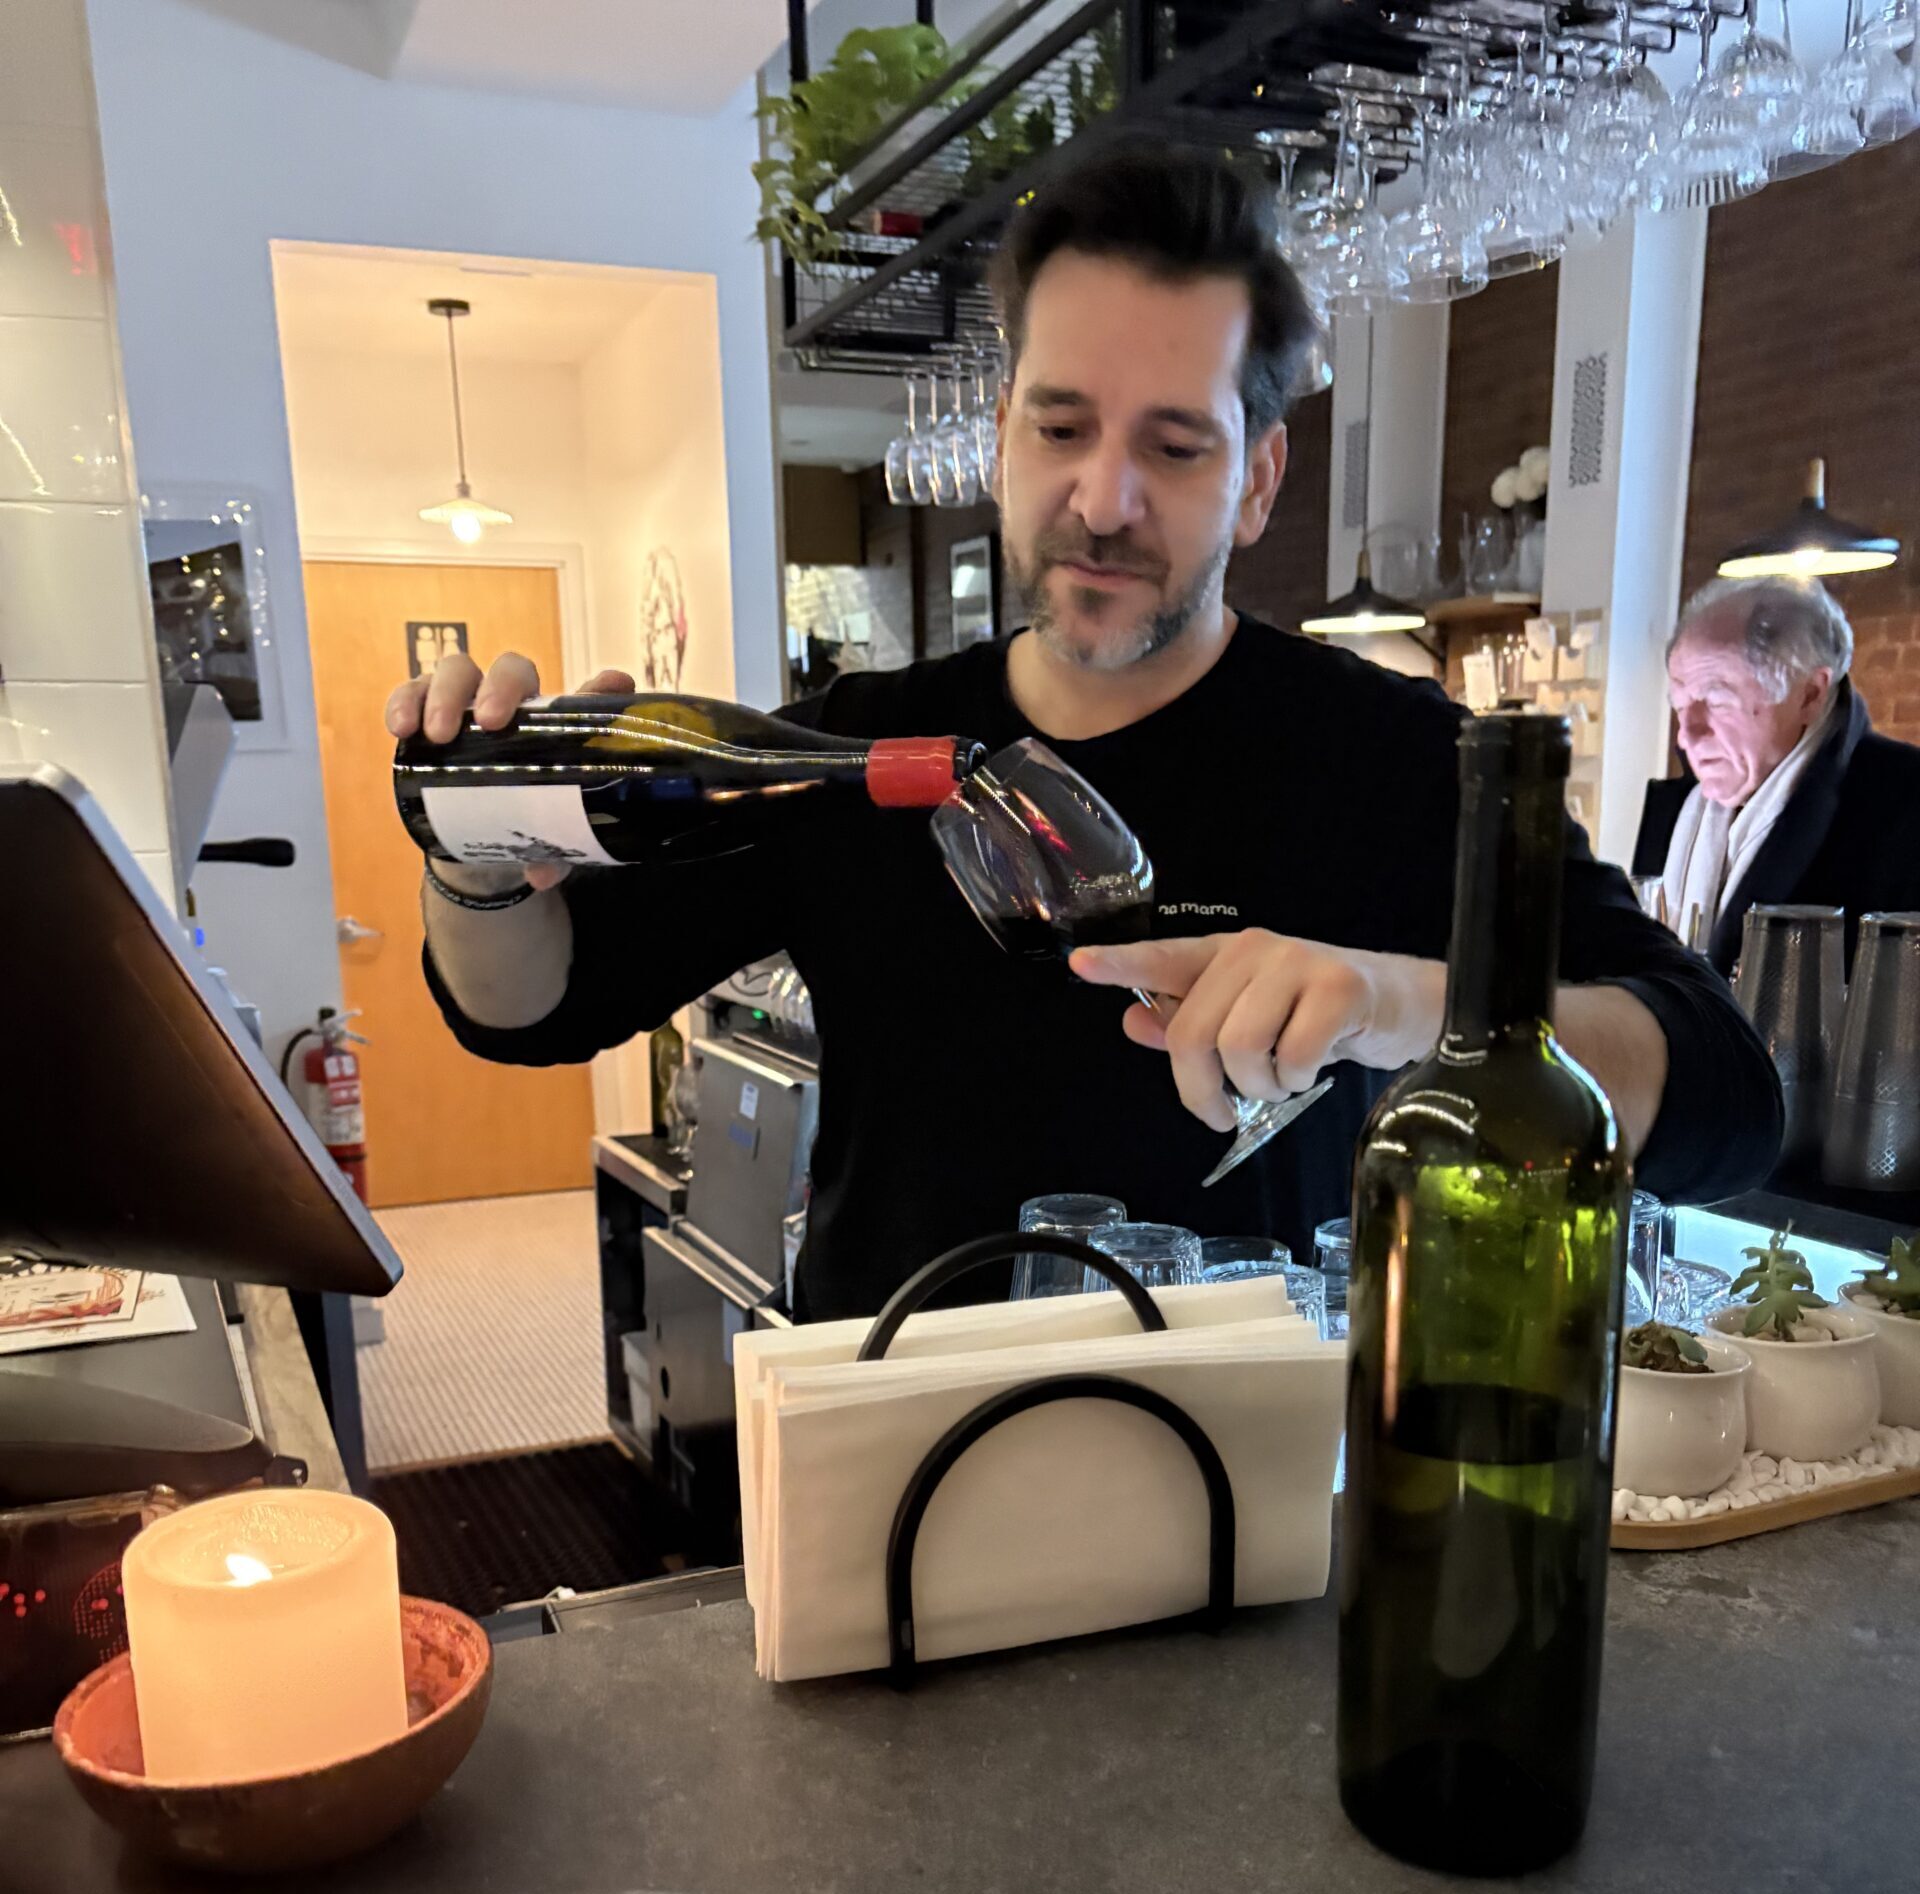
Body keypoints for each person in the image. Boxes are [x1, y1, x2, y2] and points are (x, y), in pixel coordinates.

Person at [389, 141, 1782, 1322]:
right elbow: (536, 1006)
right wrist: (477, 856)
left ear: (1257, 479)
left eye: (1175, 446)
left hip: (1255, 1519)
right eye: (1062, 427)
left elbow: (1729, 1098)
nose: (1105, 497)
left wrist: (1402, 1005)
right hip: (898, 1492)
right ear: (1003, 437)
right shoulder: (860, 747)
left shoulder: (1394, 757)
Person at [1633, 576, 1920, 976]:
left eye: (1717, 700)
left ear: (1810, 694)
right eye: (1680, 704)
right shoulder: (1673, 810)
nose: (1687, 734)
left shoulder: (1904, 810)